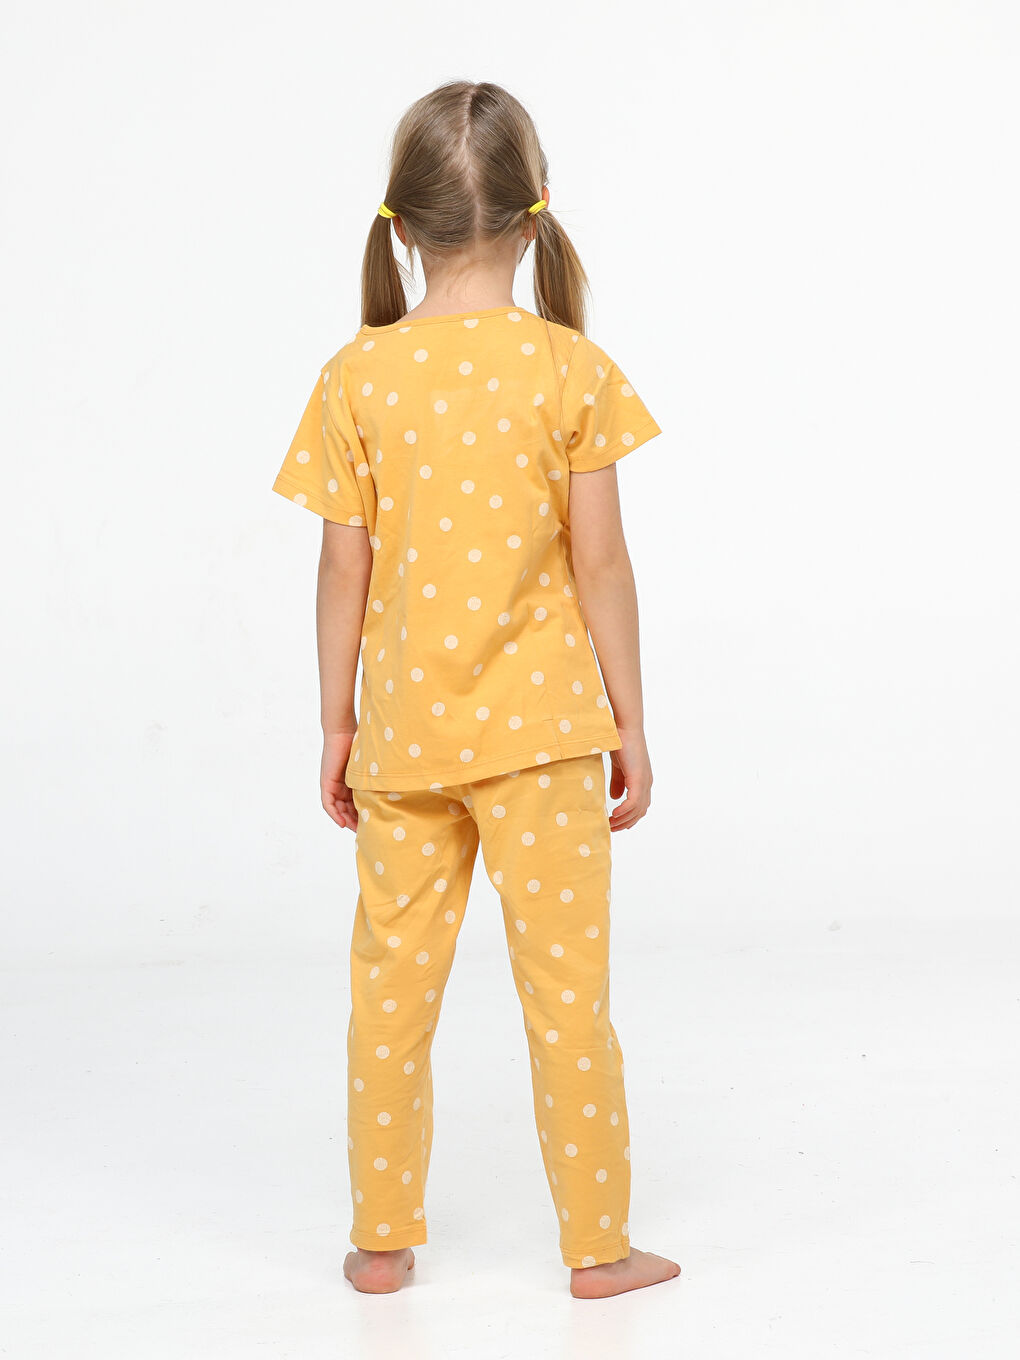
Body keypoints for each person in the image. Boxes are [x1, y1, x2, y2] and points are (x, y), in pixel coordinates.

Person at [271, 79, 681, 1301]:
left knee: (389, 997)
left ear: (400, 223)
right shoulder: (570, 369)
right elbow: (602, 565)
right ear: (534, 210)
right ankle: (598, 1247)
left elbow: (341, 569)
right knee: (568, 998)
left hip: (403, 743)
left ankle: (380, 1241)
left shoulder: (358, 376)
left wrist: (337, 722)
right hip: (547, 741)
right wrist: (631, 719)